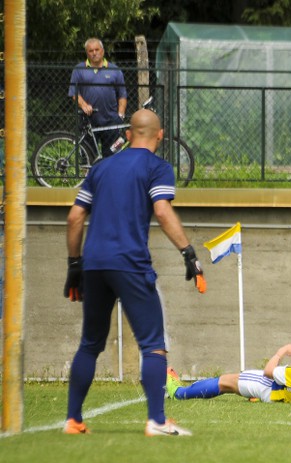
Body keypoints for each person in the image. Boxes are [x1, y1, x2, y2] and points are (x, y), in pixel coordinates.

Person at [62, 108, 206, 437]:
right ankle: (156, 420)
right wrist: (188, 253)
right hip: (130, 263)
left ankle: (73, 420)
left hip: (94, 264)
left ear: (128, 135)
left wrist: (74, 266)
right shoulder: (157, 167)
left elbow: (74, 218)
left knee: (90, 344)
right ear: (160, 135)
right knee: (153, 344)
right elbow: (161, 208)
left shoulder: (100, 167)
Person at [166, 332, 291, 404]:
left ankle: (178, 392)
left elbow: (269, 371)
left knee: (227, 381)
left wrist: (281, 352)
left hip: (273, 391)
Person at [68, 38, 128, 158]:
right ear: (87, 53)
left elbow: (122, 95)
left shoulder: (115, 70)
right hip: (88, 120)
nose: (94, 53)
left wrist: (120, 115)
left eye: (97, 49)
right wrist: (84, 105)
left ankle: (108, 176)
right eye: (91, 51)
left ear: (103, 51)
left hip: (111, 120)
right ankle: (88, 176)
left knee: (112, 156)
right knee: (89, 159)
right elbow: (74, 93)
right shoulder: (79, 69)